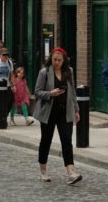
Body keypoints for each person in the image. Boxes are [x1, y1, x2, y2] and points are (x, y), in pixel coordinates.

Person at [34, 48, 82, 184]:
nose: (56, 62)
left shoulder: (69, 71)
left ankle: (71, 173)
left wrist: (76, 110)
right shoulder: (44, 73)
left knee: (67, 141)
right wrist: (50, 94)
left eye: (59, 60)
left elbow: (72, 92)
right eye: (54, 59)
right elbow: (37, 92)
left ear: (63, 61)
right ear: (51, 59)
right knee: (46, 141)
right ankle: (43, 171)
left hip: (64, 112)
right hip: (49, 113)